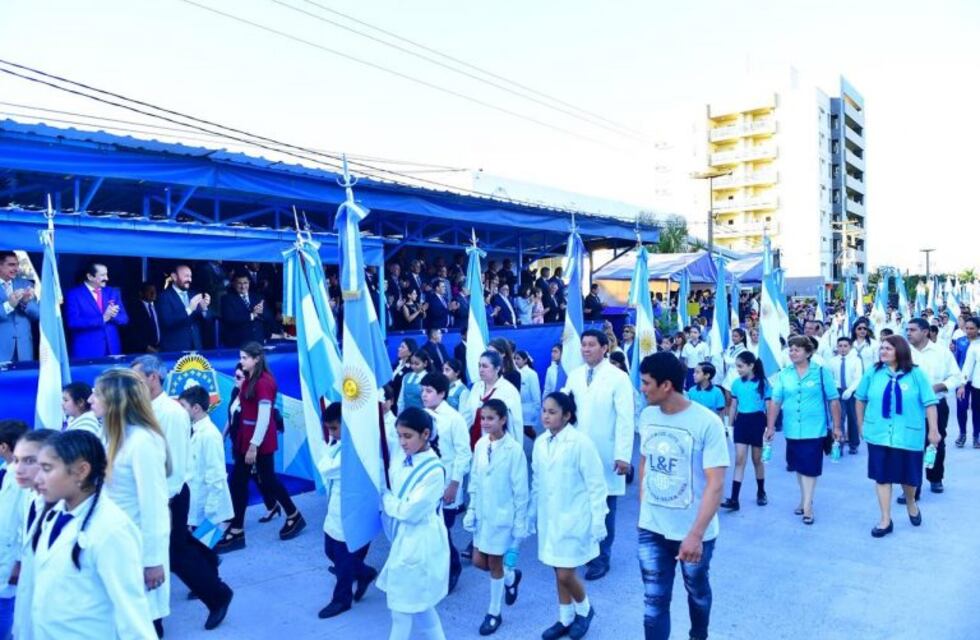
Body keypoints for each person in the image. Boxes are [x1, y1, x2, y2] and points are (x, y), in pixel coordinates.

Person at [131, 355, 234, 631]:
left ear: (154, 378)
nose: (134, 386)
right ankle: (211, 565)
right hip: (157, 494)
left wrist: (163, 499)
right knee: (178, 548)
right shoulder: (144, 409)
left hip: (170, 495)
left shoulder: (172, 413)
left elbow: (176, 461)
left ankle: (217, 596)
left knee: (174, 554)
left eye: (138, 379)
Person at [29, 430, 156, 638]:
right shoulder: (55, 514)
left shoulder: (112, 530)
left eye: (47, 468)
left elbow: (132, 614)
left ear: (81, 471)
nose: (37, 478)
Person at [637, 353, 728, 640]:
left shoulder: (707, 423)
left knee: (697, 592)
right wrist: (644, 507)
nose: (641, 388)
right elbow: (645, 462)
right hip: (652, 528)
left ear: (666, 386)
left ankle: (698, 635)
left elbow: (715, 484)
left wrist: (696, 535)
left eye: (646, 382)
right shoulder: (647, 415)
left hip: (694, 532)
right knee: (654, 604)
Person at [93, 368, 173, 634]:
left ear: (115, 401)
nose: (91, 399)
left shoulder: (142, 442)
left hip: (138, 550)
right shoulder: (110, 436)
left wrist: (152, 561)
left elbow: (154, 506)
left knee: (142, 624)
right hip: (115, 547)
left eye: (97, 394)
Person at [529, 392, 607, 640]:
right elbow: (537, 481)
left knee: (565, 572)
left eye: (552, 412)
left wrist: (598, 520)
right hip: (549, 517)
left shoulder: (581, 443)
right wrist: (532, 513)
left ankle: (585, 609)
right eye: (544, 411)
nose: (546, 416)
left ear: (567, 415)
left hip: (574, 517)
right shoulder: (541, 443)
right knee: (557, 568)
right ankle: (565, 617)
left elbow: (596, 485)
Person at [561, 329, 634, 581]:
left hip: (606, 452)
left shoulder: (618, 378)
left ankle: (602, 557)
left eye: (591, 345)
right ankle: (584, 549)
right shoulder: (575, 375)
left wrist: (623, 455)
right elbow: (564, 408)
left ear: (605, 348)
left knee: (604, 506)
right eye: (583, 345)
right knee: (580, 502)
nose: (586, 349)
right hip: (578, 449)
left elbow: (626, 418)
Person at [219, 342, 305, 552]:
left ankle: (240, 530)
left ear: (256, 359)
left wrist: (253, 446)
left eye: (245, 358)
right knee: (248, 481)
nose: (241, 361)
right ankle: (290, 516)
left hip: (257, 441)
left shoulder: (264, 382)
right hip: (246, 439)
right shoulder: (249, 379)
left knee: (262, 480)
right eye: (240, 357)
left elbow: (264, 417)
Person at [855, 335, 941, 537]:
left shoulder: (916, 375)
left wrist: (934, 430)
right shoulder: (873, 373)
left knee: (909, 478)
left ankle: (911, 502)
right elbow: (860, 399)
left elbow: (929, 403)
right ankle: (885, 519)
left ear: (900, 351)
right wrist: (861, 425)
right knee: (882, 477)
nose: (883, 351)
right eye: (881, 348)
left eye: (888, 348)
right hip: (879, 434)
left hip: (908, 435)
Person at [377, 407, 449, 640]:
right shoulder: (403, 456)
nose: (402, 441)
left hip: (420, 541)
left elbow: (409, 511)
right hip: (405, 538)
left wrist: (386, 498)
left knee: (402, 609)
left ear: (425, 434)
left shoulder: (434, 470)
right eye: (399, 435)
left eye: (407, 436)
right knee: (421, 607)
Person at [463, 399, 529, 636]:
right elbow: (475, 479)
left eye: (491, 418)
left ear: (503, 419)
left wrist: (520, 524)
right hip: (483, 514)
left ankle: (494, 612)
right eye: (483, 418)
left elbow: (521, 490)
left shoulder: (514, 450)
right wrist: (471, 509)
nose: (486, 423)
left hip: (504, 517)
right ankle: (511, 577)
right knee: (479, 561)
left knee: (494, 563)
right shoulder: (481, 445)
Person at [765, 336, 842, 525]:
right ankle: (804, 499)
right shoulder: (784, 374)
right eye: (790, 349)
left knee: (810, 467)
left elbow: (833, 400)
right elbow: (776, 401)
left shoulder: (821, 372)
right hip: (792, 428)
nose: (792, 353)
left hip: (814, 428)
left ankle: (808, 506)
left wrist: (838, 426)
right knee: (799, 466)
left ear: (808, 352)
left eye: (797, 349)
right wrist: (770, 425)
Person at [316, 403, 378, 619]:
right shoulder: (339, 443)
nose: (331, 433)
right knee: (331, 550)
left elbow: (325, 467)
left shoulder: (356, 447)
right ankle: (365, 573)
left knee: (344, 558)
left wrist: (324, 452)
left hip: (353, 509)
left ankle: (342, 600)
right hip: (335, 505)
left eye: (334, 428)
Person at [420, 373, 472, 594]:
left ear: (442, 393)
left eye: (429, 391)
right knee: (429, 529)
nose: (424, 395)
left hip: (447, 482)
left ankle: (453, 567)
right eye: (423, 390)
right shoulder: (421, 415)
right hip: (425, 482)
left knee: (443, 530)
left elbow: (463, 454)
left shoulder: (453, 419)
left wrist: (454, 484)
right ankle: (434, 569)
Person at [9, 427, 58, 640]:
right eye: (17, 460)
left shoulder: (65, 509)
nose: (18, 469)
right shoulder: (32, 496)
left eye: (30, 461)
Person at [905, 318, 960, 498]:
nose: (909, 333)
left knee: (935, 441)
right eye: (908, 330)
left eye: (913, 330)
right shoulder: (904, 353)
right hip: (910, 407)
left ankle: (935, 478)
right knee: (910, 445)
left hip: (936, 405)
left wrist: (937, 387)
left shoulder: (941, 352)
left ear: (925, 332)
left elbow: (956, 377)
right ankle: (913, 487)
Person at [178, 386, 234, 537]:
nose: (179, 411)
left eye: (182, 406)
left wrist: (211, 511)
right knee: (199, 552)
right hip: (196, 506)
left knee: (204, 552)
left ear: (196, 408)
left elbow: (216, 475)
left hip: (208, 509)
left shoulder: (210, 435)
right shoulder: (194, 430)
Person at [226, 363, 280, 522]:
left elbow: (260, 422)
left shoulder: (251, 396)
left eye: (238, 377)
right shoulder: (236, 391)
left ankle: (235, 522)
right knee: (257, 477)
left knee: (240, 481)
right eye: (234, 376)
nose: (235, 380)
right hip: (237, 441)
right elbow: (231, 415)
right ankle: (273, 505)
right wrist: (224, 435)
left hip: (249, 444)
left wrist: (253, 446)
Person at [721, 352, 770, 511]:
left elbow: (769, 407)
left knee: (757, 460)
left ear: (751, 366)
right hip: (741, 422)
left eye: (741, 366)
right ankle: (734, 499)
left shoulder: (763, 383)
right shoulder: (736, 383)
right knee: (739, 460)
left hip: (757, 422)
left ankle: (761, 491)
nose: (738, 369)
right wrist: (729, 425)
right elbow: (734, 405)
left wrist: (770, 427)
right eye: (737, 366)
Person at [64, 261, 129, 358]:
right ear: (90, 277)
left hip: (112, 349)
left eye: (107, 274)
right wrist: (102, 319)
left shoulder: (112, 292)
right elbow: (73, 322)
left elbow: (124, 319)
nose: (107, 278)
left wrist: (113, 315)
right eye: (102, 275)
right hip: (88, 350)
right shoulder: (74, 294)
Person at [0, 419, 29, 639]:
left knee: (5, 606)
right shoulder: (10, 473)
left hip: (10, 556)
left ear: (3, 447)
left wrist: (18, 561)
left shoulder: (20, 478)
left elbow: (22, 522)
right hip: (5, 550)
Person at [462, 351, 524, 448]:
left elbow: (516, 424)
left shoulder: (509, 390)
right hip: (475, 443)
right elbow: (467, 416)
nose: (481, 370)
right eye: (479, 366)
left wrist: (516, 449)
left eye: (485, 366)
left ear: (497, 369)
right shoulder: (476, 387)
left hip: (499, 445)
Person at [157, 264, 211, 352]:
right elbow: (167, 322)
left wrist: (204, 309)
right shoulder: (164, 296)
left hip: (196, 346)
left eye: (190, 276)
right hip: (175, 349)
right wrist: (189, 309)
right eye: (186, 276)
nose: (189, 279)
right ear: (174, 277)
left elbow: (207, 322)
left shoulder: (194, 294)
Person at [0, 250, 39, 362]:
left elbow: (38, 314)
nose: (16, 269)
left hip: (24, 348)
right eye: (11, 265)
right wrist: (9, 305)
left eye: (17, 264)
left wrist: (25, 303)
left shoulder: (26, 284)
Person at [829, 337, 864, 455]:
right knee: (838, 418)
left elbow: (858, 377)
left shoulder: (856, 360)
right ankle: (839, 443)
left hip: (852, 390)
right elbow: (830, 377)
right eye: (840, 346)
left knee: (853, 418)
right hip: (838, 391)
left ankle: (854, 444)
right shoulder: (833, 360)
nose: (842, 349)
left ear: (850, 347)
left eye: (845, 346)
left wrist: (850, 390)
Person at [220, 272, 268, 348]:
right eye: (239, 283)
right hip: (238, 342)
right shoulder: (227, 299)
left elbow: (267, 317)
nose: (243, 286)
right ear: (234, 284)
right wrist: (251, 315)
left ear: (249, 283)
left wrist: (261, 313)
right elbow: (229, 319)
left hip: (258, 341)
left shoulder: (258, 297)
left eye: (245, 283)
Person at [957, 316, 980, 448]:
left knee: (977, 410)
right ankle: (962, 433)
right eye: (967, 328)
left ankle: (976, 435)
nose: (969, 331)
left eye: (972, 328)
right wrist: (960, 382)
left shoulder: (977, 344)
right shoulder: (960, 341)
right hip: (963, 381)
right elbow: (960, 362)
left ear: (978, 329)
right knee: (962, 408)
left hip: (977, 383)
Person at [126, 281, 163, 354]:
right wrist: (146, 347)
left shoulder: (159, 306)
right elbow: (133, 332)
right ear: (141, 293)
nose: (153, 294)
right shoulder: (134, 309)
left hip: (160, 349)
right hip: (141, 351)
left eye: (154, 291)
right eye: (150, 291)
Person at [514, 350, 542, 441]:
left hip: (528, 408)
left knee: (527, 430)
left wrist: (536, 408)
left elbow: (536, 393)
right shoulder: (515, 373)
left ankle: (537, 442)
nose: (515, 361)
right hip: (518, 407)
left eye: (518, 359)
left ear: (525, 360)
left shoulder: (531, 374)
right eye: (514, 358)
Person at [397, 350, 431, 414]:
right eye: (412, 363)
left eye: (417, 364)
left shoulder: (429, 378)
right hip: (406, 414)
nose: (413, 366)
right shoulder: (406, 377)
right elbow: (401, 400)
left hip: (422, 416)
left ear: (425, 363)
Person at [390, 338, 419, 411]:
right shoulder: (396, 365)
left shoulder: (411, 369)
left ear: (410, 352)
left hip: (400, 403)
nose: (399, 349)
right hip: (391, 402)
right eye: (399, 346)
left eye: (402, 347)